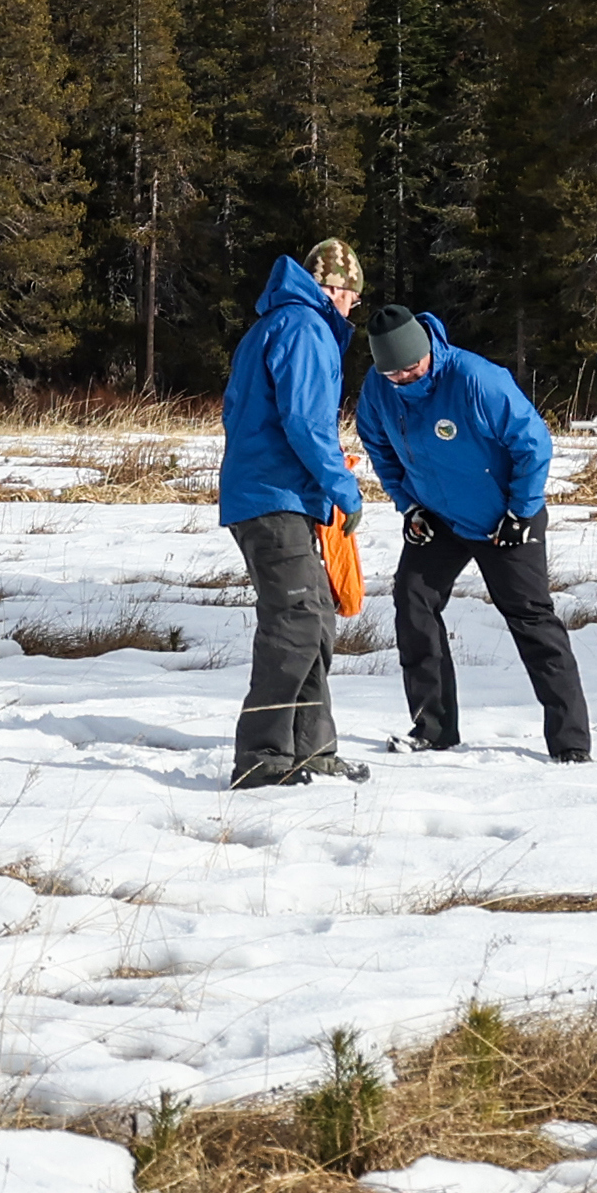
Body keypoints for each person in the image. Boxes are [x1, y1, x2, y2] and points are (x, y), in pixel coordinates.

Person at [356, 308, 588, 762]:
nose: (402, 378)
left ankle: (570, 743)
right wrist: (409, 504)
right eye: (392, 372)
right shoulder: (378, 387)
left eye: (410, 368)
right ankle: (434, 727)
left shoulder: (477, 379)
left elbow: (533, 443)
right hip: (439, 515)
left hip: (503, 515)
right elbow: (378, 444)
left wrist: (520, 511)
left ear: (427, 351)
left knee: (531, 619)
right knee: (413, 599)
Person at [212, 237, 371, 788]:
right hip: (272, 496)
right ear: (337, 289)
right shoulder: (304, 328)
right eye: (353, 298)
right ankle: (261, 756)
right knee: (298, 618)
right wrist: (343, 488)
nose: (352, 309)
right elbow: (307, 423)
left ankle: (312, 750)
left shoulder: (273, 325)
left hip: (275, 495)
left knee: (315, 615)